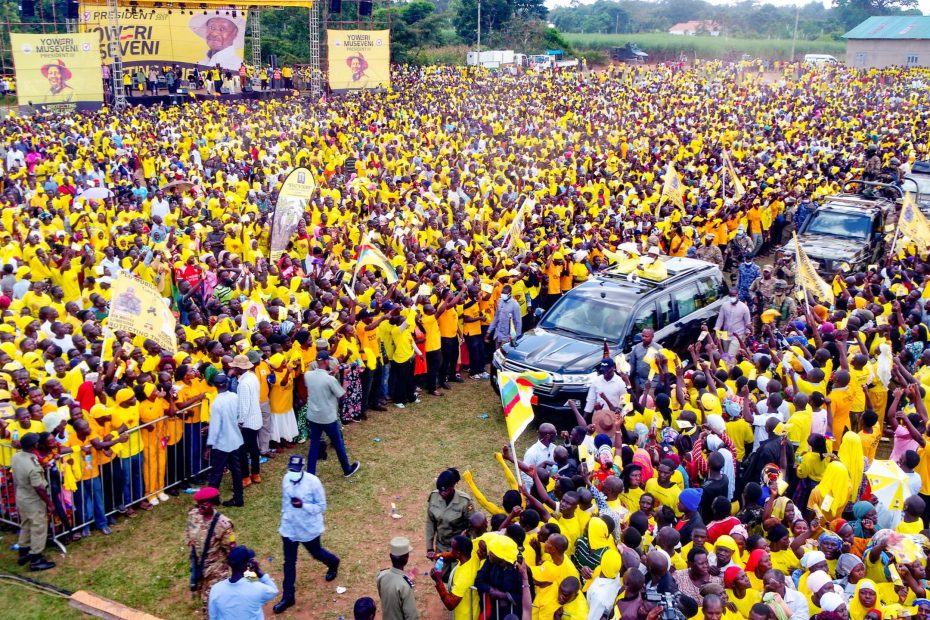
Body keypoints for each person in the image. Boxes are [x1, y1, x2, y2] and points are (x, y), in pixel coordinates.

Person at [272, 455, 340, 614]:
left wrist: (303, 505)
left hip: (308, 528)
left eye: (296, 470)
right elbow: (285, 502)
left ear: (302, 468)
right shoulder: (286, 479)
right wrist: (285, 518)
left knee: (316, 552)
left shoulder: (313, 482)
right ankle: (288, 597)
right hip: (289, 528)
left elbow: (322, 506)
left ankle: (333, 562)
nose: (293, 473)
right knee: (289, 562)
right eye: (291, 469)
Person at [303, 351, 361, 478]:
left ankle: (311, 474)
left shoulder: (308, 375)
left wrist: (331, 374)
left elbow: (318, 381)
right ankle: (347, 469)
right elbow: (342, 395)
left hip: (313, 416)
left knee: (314, 445)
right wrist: (344, 376)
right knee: (338, 444)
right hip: (328, 417)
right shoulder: (330, 379)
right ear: (326, 361)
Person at [187, 487, 236, 612]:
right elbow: (190, 536)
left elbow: (231, 550)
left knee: (211, 602)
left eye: (204, 504)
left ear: (213, 503)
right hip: (199, 566)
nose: (200, 507)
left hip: (216, 570)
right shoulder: (193, 515)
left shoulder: (223, 525)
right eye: (198, 504)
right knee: (201, 593)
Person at [12, 432, 55, 570]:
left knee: (25, 524)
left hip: (21, 496)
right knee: (38, 527)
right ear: (35, 445)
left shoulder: (17, 456)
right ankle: (36, 559)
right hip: (33, 500)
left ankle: (23, 552)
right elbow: (39, 488)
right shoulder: (33, 466)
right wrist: (49, 503)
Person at [205, 373, 245, 507]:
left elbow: (215, 427)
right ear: (227, 384)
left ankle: (212, 499)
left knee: (216, 472)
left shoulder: (217, 403)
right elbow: (240, 415)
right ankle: (238, 498)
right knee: (236, 471)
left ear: (215, 386)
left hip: (221, 444)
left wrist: (209, 445)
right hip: (235, 440)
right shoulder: (234, 397)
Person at [208, 546, 279, 619]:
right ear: (248, 564)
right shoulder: (256, 589)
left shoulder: (216, 589)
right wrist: (258, 571)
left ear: (229, 564)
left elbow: (213, 617)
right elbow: (274, 590)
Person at [426, 468, 474, 557]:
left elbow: (473, 525)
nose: (442, 493)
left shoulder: (464, 501)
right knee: (439, 566)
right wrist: (430, 548)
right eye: (440, 490)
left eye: (445, 490)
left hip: (459, 550)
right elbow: (430, 522)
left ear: (452, 486)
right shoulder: (434, 497)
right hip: (441, 546)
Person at [231, 354, 263, 486]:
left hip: (248, 422)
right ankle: (255, 474)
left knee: (242, 450)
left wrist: (240, 422)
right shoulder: (252, 377)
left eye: (234, 367)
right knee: (254, 447)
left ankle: (245, 477)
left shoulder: (243, 384)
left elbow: (244, 406)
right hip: (256, 418)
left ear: (238, 368)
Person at [377, 536, 419, 620]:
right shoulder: (405, 586)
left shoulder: (381, 575)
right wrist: (407, 581)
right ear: (407, 558)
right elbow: (412, 616)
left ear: (390, 556)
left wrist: (406, 579)